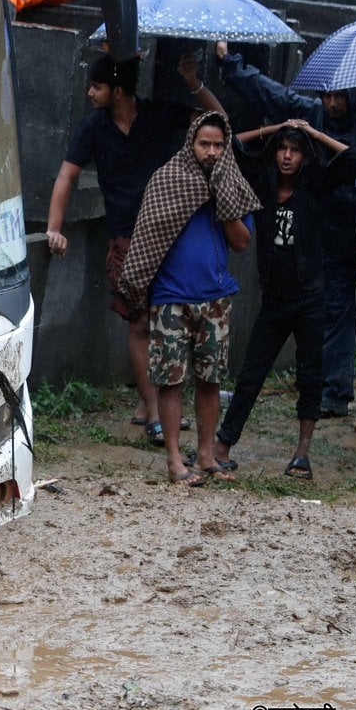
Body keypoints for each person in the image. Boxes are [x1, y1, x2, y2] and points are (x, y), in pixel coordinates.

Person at [46, 54, 224, 445]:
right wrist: (54, 228)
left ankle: (154, 406)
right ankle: (157, 414)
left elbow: (218, 122)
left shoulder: (159, 114)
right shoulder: (93, 127)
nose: (90, 93)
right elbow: (66, 175)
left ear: (119, 90)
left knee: (169, 324)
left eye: (96, 86)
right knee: (139, 323)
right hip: (125, 238)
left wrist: (193, 80)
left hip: (169, 236)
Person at [216, 41, 356, 418]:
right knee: (334, 309)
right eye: (327, 96)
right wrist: (229, 62)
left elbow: (355, 161)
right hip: (318, 229)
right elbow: (270, 92)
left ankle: (338, 388)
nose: (332, 103)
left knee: (354, 313)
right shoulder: (311, 113)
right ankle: (333, 393)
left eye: (340, 97)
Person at [212, 121, 356, 479]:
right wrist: (272, 129)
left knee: (310, 375)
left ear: (303, 156)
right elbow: (232, 145)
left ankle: (302, 453)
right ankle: (223, 446)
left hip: (311, 297)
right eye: (283, 148)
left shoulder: (315, 187)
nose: (286, 156)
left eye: (294, 150)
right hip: (275, 299)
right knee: (251, 373)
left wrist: (313, 134)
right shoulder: (263, 185)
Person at [117, 112, 259, 485]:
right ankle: (175, 460)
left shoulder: (231, 184)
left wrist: (221, 199)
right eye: (204, 144)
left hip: (215, 298)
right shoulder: (167, 180)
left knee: (210, 380)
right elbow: (148, 237)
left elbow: (242, 243)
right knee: (172, 380)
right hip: (170, 299)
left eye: (218, 145)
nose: (211, 152)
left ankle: (207, 455)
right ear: (190, 145)